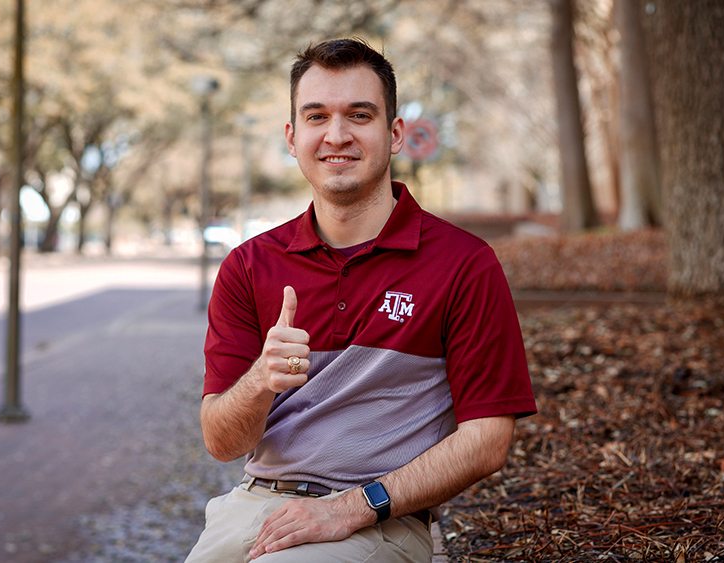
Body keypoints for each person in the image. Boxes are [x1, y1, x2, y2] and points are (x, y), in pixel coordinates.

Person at [185, 37, 536, 563]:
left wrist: (351, 506)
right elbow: (221, 442)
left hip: (377, 523)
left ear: (394, 133)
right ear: (292, 136)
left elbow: (488, 439)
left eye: (359, 115)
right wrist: (261, 379)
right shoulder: (248, 265)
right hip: (248, 509)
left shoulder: (463, 263)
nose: (337, 135)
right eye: (317, 115)